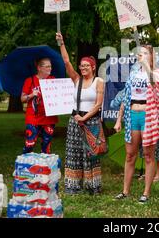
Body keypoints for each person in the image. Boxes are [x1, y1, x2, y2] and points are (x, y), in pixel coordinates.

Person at [113, 45, 159, 203]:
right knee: (130, 155)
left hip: (148, 115)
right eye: (139, 53)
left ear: (150, 56)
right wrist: (118, 119)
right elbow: (126, 97)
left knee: (148, 155)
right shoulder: (133, 73)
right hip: (132, 114)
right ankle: (125, 191)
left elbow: (154, 84)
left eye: (143, 53)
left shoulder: (156, 73)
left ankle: (146, 193)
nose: (139, 55)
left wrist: (147, 65)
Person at [56, 33, 105, 195]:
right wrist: (61, 43)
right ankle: (73, 186)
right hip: (75, 121)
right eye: (81, 65)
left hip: (90, 122)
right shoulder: (76, 80)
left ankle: (93, 186)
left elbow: (98, 104)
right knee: (74, 153)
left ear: (93, 67)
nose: (83, 68)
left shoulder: (99, 81)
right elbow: (66, 61)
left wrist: (84, 118)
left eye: (86, 65)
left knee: (91, 154)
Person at [21, 57, 59, 154]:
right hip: (33, 117)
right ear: (39, 68)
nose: (50, 68)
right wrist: (31, 95)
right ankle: (26, 165)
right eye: (47, 66)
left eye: (50, 66)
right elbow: (22, 99)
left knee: (46, 145)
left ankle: (45, 166)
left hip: (49, 117)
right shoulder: (30, 80)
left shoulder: (53, 80)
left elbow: (59, 96)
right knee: (30, 143)